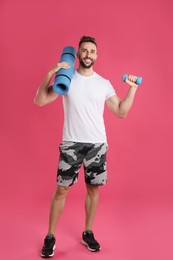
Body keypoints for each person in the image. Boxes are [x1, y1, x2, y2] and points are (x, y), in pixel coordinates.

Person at [34, 36, 140, 258]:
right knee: (62, 190)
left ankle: (87, 232)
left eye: (92, 51)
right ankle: (50, 236)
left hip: (97, 145)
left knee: (93, 189)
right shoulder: (67, 78)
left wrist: (132, 89)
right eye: (84, 51)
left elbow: (121, 111)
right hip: (71, 143)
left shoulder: (103, 84)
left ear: (96, 56)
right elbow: (41, 100)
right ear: (78, 54)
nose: (88, 55)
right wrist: (51, 73)